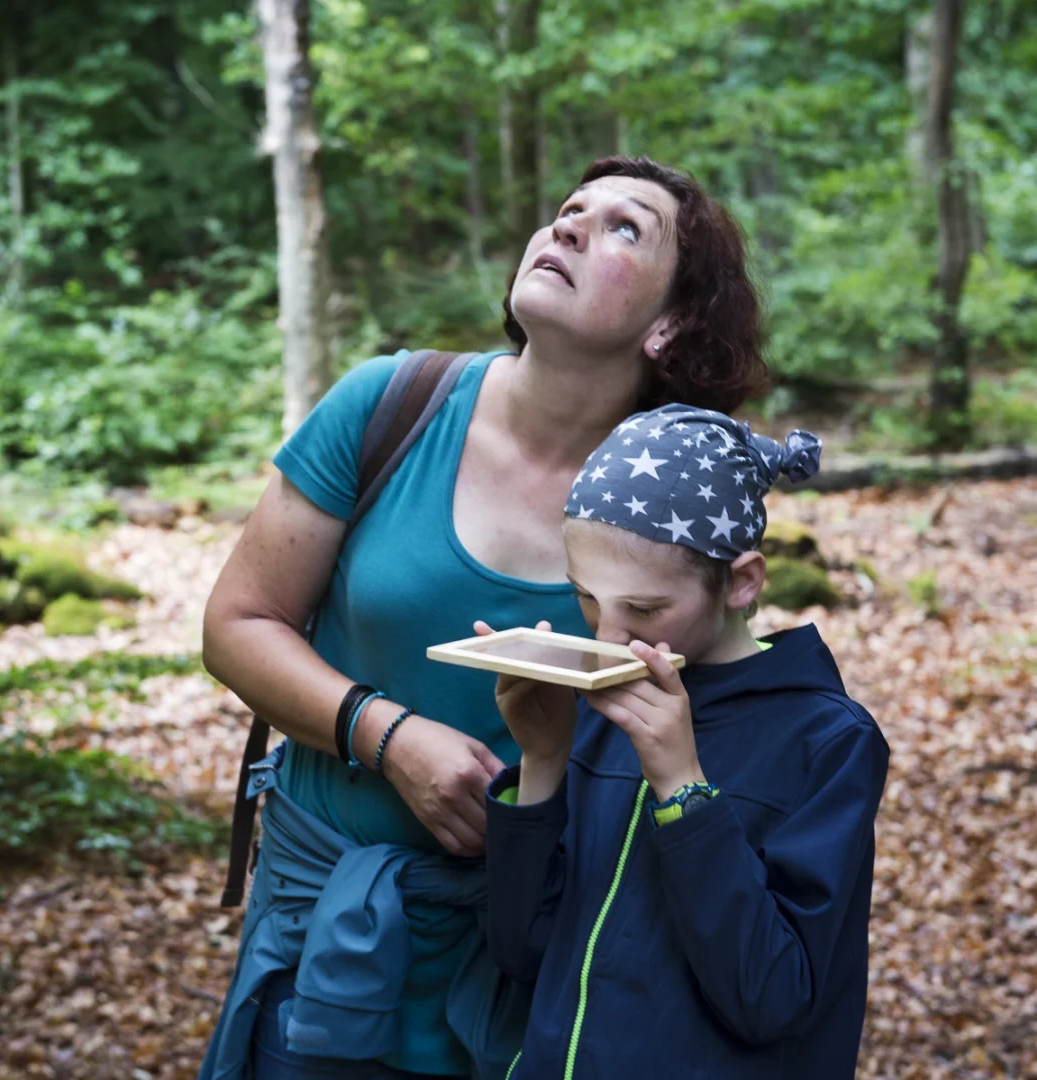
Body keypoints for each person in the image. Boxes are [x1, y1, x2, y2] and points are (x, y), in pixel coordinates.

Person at [196, 157, 768, 1080]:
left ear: (671, 325)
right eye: (569, 210)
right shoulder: (389, 405)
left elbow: (725, 713)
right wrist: (388, 737)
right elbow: (238, 622)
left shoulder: (678, 499)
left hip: (549, 963)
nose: (571, 228)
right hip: (323, 938)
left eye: (627, 228)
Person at [482, 404, 889, 1079]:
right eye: (586, 598)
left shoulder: (828, 742)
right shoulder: (600, 709)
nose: (608, 637)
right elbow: (524, 951)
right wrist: (543, 762)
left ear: (741, 581)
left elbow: (771, 997)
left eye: (643, 610)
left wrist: (683, 788)